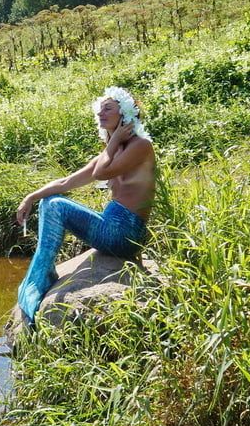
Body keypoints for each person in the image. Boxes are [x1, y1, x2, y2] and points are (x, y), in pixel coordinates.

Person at [14, 86, 156, 326]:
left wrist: (114, 143)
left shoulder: (140, 146)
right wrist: (31, 197)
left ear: (125, 114)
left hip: (125, 232)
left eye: (108, 108)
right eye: (99, 109)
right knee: (50, 201)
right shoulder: (112, 151)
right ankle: (43, 273)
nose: (101, 113)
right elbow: (67, 181)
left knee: (57, 206)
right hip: (111, 226)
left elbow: (102, 173)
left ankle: (41, 276)